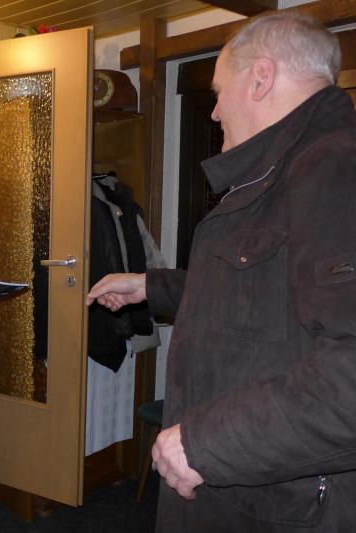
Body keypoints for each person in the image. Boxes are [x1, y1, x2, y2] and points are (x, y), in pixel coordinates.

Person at [86, 11, 356, 531]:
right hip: (242, 493)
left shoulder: (335, 170)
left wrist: (207, 443)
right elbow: (261, 290)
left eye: (217, 91)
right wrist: (149, 286)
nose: (213, 112)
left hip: (282, 504)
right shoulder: (279, 173)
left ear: (260, 78)